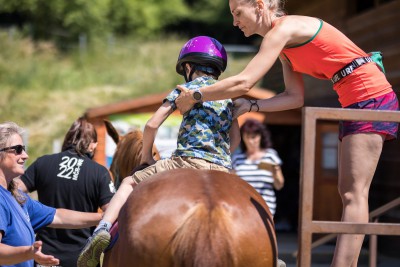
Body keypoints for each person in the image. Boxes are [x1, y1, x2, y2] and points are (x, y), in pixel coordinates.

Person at [174, 1, 399, 266]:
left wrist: (195, 95)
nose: (235, 22)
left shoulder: (284, 29)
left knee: (353, 193)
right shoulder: (284, 46)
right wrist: (252, 105)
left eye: (237, 13)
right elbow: (294, 97)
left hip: (370, 95)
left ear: (259, 5)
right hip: (353, 98)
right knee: (347, 192)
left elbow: (245, 81)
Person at [77, 36, 240, 267]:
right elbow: (236, 138)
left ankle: (101, 232)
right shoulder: (227, 96)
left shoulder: (183, 90)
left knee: (129, 183)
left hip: (185, 162)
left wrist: (145, 158)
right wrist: (221, 156)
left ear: (188, 66)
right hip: (221, 168)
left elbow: (152, 125)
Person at [0, 121, 104, 267]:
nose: (25, 155)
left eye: (23, 149)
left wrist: (105, 217)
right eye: (17, 149)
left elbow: (59, 216)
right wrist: (28, 253)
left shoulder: (18, 198)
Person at [232, 119, 284, 216]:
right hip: (242, 207)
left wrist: (275, 171)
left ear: (260, 137)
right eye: (247, 137)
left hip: (265, 208)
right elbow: (233, 185)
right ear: (242, 138)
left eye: (254, 137)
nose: (251, 141)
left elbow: (279, 185)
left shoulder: (270, 156)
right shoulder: (237, 158)